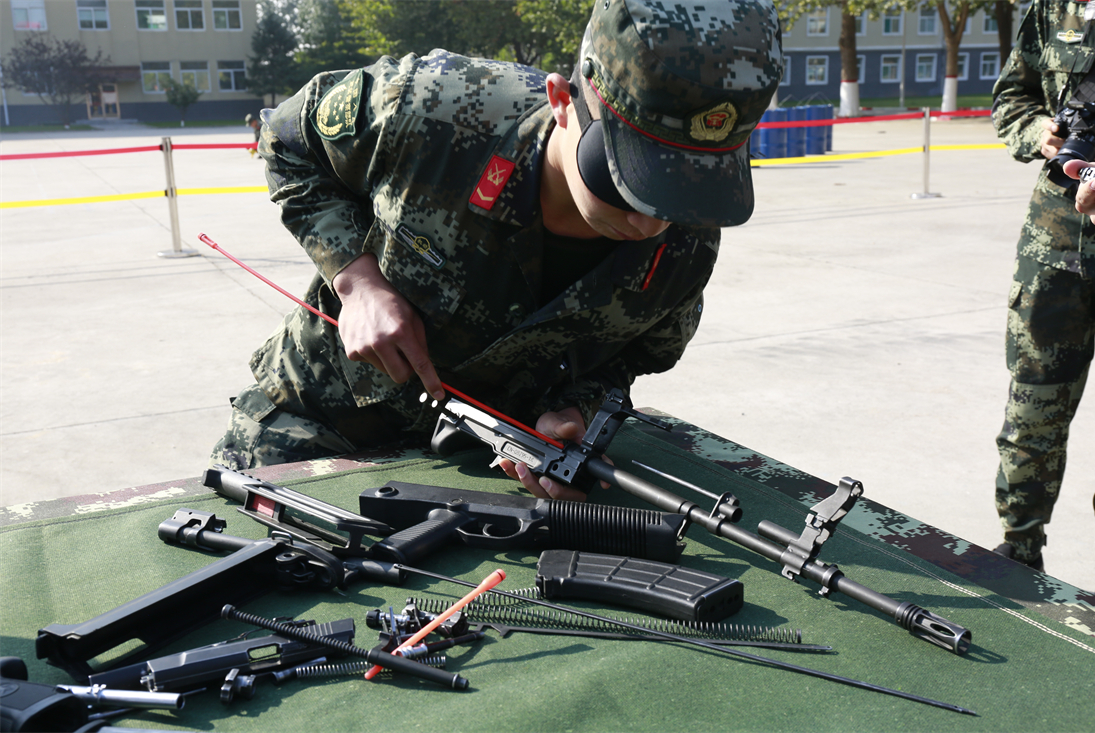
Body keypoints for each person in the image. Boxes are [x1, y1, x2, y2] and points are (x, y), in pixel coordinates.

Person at [210, 0, 784, 501]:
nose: (650, 222)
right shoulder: (434, 108)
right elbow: (286, 139)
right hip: (313, 429)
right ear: (564, 101)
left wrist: (575, 411)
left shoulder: (687, 247)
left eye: (682, 193)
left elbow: (628, 360)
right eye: (625, 177)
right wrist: (357, 279)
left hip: (479, 475)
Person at [989, 0, 1095, 576]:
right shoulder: (1056, 5)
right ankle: (1020, 545)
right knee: (1033, 398)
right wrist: (1042, 132)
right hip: (1055, 230)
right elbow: (1013, 96)